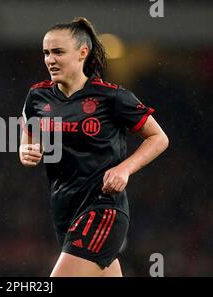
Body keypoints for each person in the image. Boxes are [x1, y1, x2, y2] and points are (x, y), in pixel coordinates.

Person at [19, 17, 169, 277]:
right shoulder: (37, 96)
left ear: (82, 53)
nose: (50, 59)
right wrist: (26, 151)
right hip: (64, 210)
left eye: (58, 52)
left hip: (102, 209)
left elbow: (158, 138)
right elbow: (27, 136)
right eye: (46, 52)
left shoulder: (111, 96)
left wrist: (124, 169)